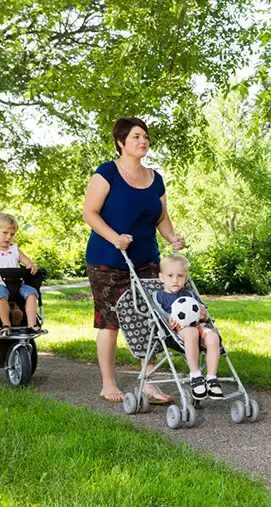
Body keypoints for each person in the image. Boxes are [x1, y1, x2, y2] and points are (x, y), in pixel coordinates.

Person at [83, 117, 184, 404]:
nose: (143, 141)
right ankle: (108, 383)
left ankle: (149, 383)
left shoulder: (155, 177)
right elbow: (90, 212)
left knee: (151, 318)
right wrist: (114, 237)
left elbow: (162, 217)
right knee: (111, 321)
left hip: (147, 259)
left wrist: (172, 238)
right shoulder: (106, 173)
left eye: (146, 137)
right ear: (121, 142)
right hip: (108, 258)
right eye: (137, 136)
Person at [155, 254, 223, 400]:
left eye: (180, 276)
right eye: (170, 275)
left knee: (213, 336)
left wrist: (203, 314)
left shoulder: (190, 295)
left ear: (186, 278)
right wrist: (169, 320)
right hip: (176, 332)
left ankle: (211, 378)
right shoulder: (159, 296)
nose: (175, 280)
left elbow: (203, 312)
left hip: (198, 326)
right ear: (162, 277)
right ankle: (196, 375)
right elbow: (160, 315)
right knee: (191, 332)